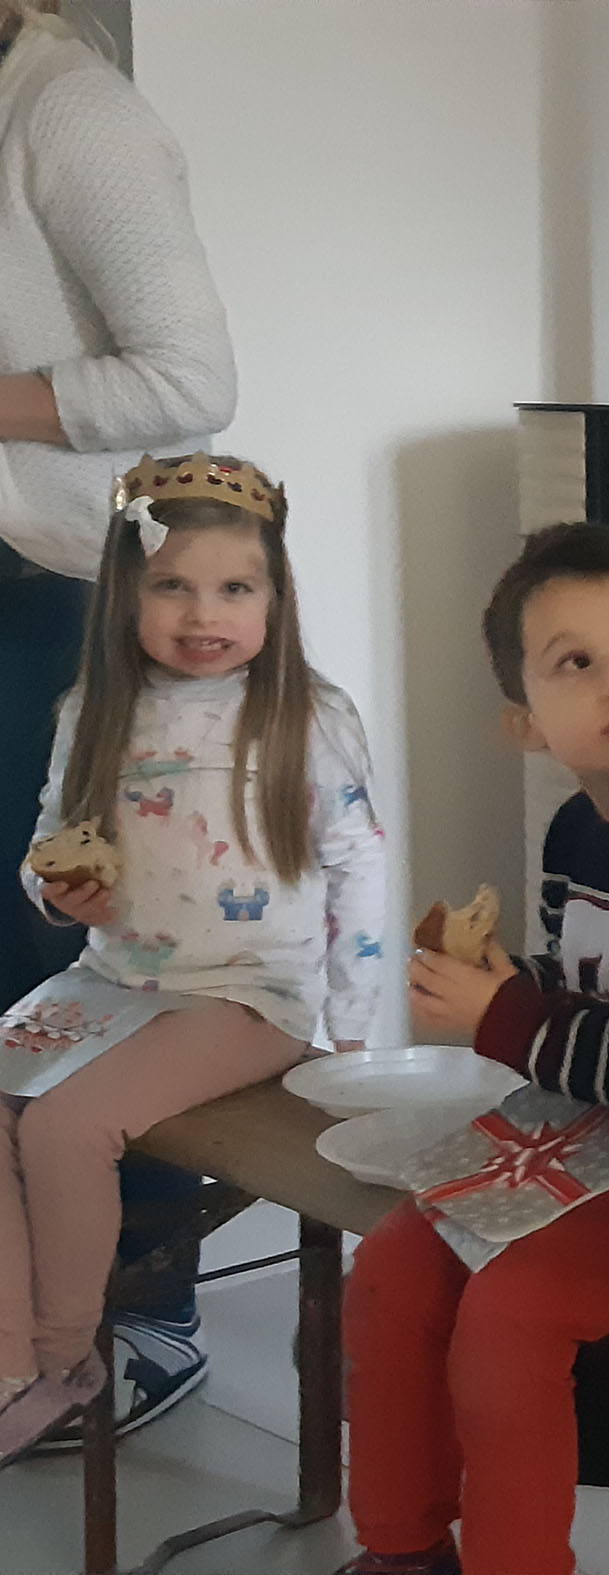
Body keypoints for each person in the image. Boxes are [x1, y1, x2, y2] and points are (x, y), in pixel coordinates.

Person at [336, 524, 609, 1575]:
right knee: (391, 1269)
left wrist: (506, 1014)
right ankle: (402, 1549)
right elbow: (591, 985)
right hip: (582, 1136)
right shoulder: (573, 834)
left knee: (509, 1316)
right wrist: (517, 980)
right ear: (525, 724)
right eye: (576, 663)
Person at [0, 452, 384, 1464]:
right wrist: (55, 892)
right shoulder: (93, 711)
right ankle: (10, 1364)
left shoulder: (310, 717)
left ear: (274, 597)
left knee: (68, 1127)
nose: (202, 613)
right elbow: (47, 844)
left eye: (234, 589)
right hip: (112, 977)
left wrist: (353, 1032)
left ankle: (66, 1360)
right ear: (127, 594)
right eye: (172, 585)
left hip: (247, 997)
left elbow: (360, 868)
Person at [0, 0, 240, 1442]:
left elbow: (191, 380)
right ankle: (29, 1333)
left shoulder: (69, 111)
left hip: (58, 595)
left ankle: (149, 1319)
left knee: (76, 954)